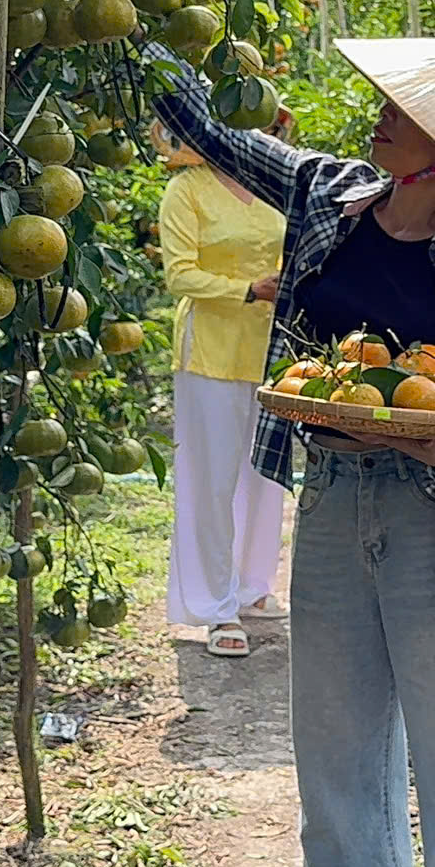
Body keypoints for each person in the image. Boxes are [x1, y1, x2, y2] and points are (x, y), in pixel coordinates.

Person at [150, 37, 435, 867]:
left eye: (403, 111)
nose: (380, 116)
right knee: (338, 773)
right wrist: (130, 11)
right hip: (331, 506)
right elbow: (209, 132)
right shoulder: (328, 196)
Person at [154, 115, 294, 659]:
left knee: (265, 474)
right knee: (212, 480)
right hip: (210, 349)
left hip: (272, 349)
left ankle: (253, 586)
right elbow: (179, 275)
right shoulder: (186, 189)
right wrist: (250, 289)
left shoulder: (274, 186)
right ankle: (215, 606)